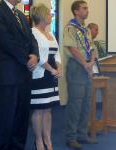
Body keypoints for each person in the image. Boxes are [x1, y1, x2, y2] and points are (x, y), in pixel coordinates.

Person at [0, 0, 39, 150]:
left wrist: (35, 55)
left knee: (21, 120)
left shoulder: (21, 15)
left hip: (24, 76)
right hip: (7, 77)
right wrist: (26, 59)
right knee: (6, 120)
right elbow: (4, 41)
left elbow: (32, 39)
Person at [62, 1, 96, 149]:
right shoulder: (70, 28)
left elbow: (92, 48)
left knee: (86, 103)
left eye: (87, 8)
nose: (87, 10)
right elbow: (72, 49)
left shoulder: (86, 30)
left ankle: (82, 134)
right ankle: (71, 137)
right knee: (75, 104)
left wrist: (92, 63)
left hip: (87, 67)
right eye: (84, 8)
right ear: (76, 11)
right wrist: (85, 64)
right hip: (77, 67)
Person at [30, 3, 62, 150]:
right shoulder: (33, 32)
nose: (51, 15)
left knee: (48, 109)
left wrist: (59, 68)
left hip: (52, 76)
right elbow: (38, 57)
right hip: (40, 75)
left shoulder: (51, 34)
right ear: (42, 16)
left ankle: (48, 140)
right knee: (39, 109)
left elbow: (57, 54)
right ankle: (38, 141)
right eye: (49, 13)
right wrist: (51, 70)